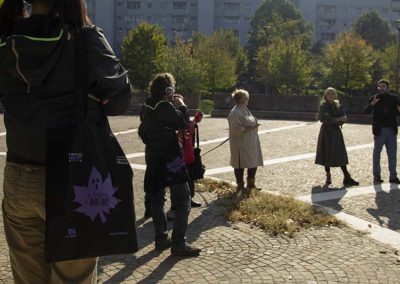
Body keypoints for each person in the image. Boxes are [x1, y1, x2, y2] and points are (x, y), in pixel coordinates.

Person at [0, 0, 132, 283]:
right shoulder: (84, 37)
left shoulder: (6, 41)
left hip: (19, 172)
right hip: (75, 174)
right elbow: (120, 96)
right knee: (75, 278)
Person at [140, 73, 201, 257]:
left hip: (152, 157)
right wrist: (182, 106)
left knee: (157, 199)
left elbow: (142, 133)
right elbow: (182, 122)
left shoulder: (146, 106)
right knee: (183, 200)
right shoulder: (164, 106)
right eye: (171, 90)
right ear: (167, 90)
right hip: (170, 158)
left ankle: (161, 237)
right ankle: (178, 243)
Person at [315, 87, 359, 187]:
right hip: (326, 132)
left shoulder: (339, 105)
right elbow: (325, 118)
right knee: (327, 152)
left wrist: (342, 119)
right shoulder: (323, 106)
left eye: (333, 94)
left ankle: (347, 177)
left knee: (340, 153)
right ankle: (328, 175)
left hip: (336, 132)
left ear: (335, 95)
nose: (331, 95)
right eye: (329, 94)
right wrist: (339, 118)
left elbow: (343, 117)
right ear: (325, 96)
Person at [365, 79, 400, 184]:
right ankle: (377, 176)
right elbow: (366, 111)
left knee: (392, 154)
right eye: (379, 86)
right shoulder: (374, 98)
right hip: (379, 131)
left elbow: (398, 113)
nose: (381, 88)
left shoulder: (394, 98)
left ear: (387, 87)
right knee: (377, 154)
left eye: (383, 86)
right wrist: (372, 104)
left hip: (391, 130)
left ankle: (393, 177)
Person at [227, 89, 263, 190]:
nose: (248, 101)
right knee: (240, 164)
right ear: (242, 100)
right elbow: (235, 130)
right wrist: (250, 128)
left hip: (250, 142)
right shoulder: (235, 112)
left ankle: (251, 184)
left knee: (253, 162)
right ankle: (240, 185)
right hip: (240, 143)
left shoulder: (244, 109)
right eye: (247, 99)